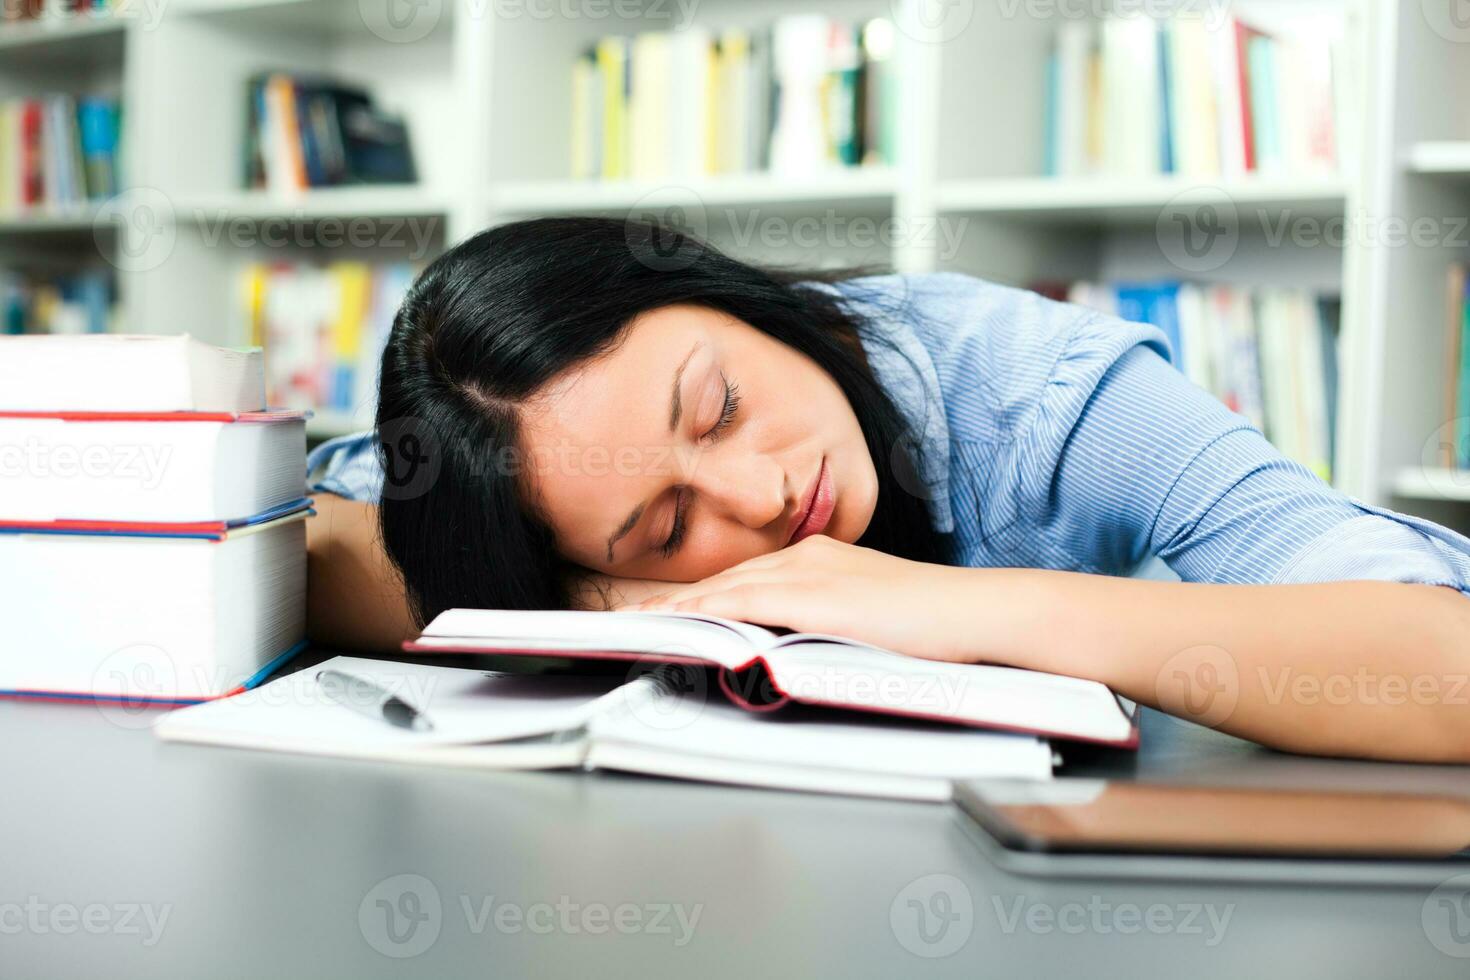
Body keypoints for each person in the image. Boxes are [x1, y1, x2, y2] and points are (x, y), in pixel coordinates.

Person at [305, 217, 1470, 762]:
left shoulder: (1037, 392)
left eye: (719, 405)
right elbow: (300, 543)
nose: (759, 492)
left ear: (724, 296)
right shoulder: (496, 452)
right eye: (665, 525)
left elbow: (1442, 665)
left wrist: (958, 608)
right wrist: (599, 605)